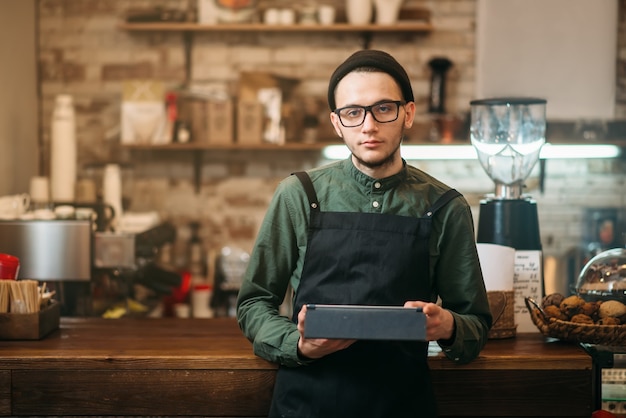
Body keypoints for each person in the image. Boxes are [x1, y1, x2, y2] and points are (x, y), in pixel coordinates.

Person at [236, 49, 492, 418]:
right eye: (353, 113)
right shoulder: (299, 195)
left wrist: (448, 325)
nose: (368, 126)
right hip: (306, 403)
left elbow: (475, 325)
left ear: (408, 113)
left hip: (403, 404)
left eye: (383, 108)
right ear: (337, 123)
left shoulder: (445, 207)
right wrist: (299, 344)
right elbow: (253, 303)